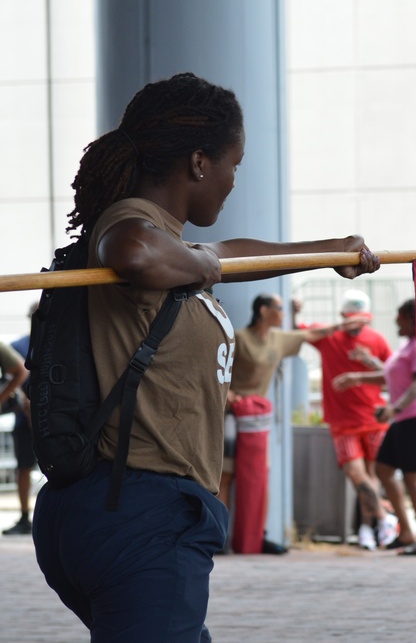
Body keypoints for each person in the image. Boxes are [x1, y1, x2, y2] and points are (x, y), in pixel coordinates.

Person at [31, 73, 380, 642]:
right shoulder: (130, 221)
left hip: (127, 511)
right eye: (233, 164)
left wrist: (325, 252)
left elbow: (228, 253)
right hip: (141, 510)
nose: (233, 180)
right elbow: (136, 252)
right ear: (198, 162)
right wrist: (206, 267)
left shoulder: (176, 242)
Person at [225, 293, 332, 554]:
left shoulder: (278, 339)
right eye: (280, 308)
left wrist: (344, 326)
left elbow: (309, 336)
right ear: (263, 311)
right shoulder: (239, 338)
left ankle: (258, 536)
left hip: (259, 417)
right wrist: (227, 394)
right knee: (225, 475)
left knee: (261, 475)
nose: (283, 313)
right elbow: (218, 368)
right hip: (230, 415)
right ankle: (218, 537)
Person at [334, 298, 416, 555]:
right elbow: (389, 376)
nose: (396, 321)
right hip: (400, 420)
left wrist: (393, 408)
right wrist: (357, 377)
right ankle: (406, 532)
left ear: (411, 319)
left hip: (413, 419)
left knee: (414, 479)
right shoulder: (407, 346)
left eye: (400, 317)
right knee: (384, 470)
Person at [311, 290, 399, 550]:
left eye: (361, 320)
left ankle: (367, 530)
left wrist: (367, 360)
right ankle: (384, 519)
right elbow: (302, 330)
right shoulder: (329, 337)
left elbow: (393, 374)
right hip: (342, 422)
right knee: (355, 473)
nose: (356, 325)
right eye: (351, 319)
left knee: (372, 475)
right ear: (342, 317)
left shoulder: (376, 339)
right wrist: (338, 326)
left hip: (373, 418)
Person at [0, 336, 30, 535]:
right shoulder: (19, 344)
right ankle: (24, 517)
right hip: (24, 416)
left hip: (44, 415)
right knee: (24, 467)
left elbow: (21, 371)